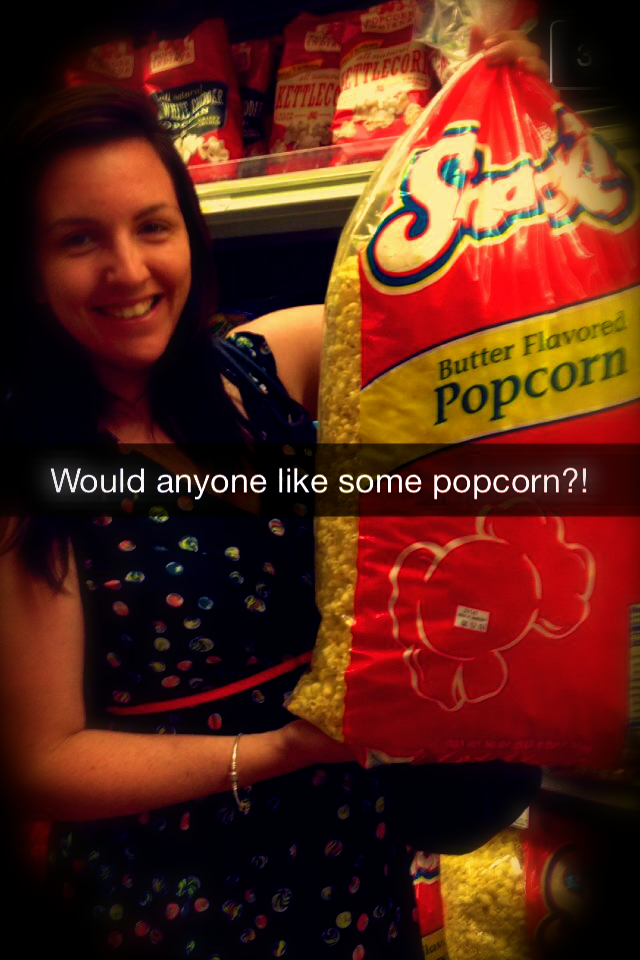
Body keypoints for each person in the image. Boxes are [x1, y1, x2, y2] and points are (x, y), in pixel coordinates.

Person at [0, 31, 547, 960]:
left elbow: (450, 312)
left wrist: (498, 123)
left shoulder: (271, 365)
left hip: (353, 863)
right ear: (30, 272)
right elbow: (41, 763)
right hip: (178, 898)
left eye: (152, 226)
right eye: (79, 239)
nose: (128, 270)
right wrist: (280, 751)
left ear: (190, 231)